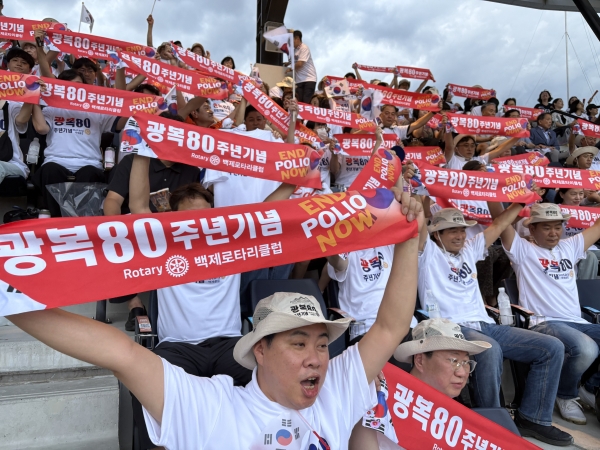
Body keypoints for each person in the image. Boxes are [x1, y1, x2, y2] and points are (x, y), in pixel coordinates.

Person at [7, 186, 423, 449]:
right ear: (261, 350)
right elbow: (120, 353)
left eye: (321, 343)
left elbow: (390, 327)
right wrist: (9, 292)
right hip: (178, 347)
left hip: (225, 344)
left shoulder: (335, 391)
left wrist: (408, 237)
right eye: (298, 343)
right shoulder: (214, 410)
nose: (317, 358)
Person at [125, 153, 295, 450]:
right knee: (148, 391)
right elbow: (138, 206)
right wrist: (141, 149)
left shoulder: (229, 241)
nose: (200, 222)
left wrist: (298, 176)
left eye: (205, 215)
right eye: (190, 217)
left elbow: (267, 211)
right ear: (173, 218)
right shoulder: (163, 244)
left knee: (274, 382)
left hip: (228, 346)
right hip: (177, 348)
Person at [418, 207, 572, 446]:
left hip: (486, 324)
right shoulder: (427, 252)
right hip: (451, 328)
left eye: (462, 230)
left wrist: (519, 204)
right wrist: (414, 198)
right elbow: (418, 226)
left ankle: (533, 419)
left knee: (552, 347)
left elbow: (499, 225)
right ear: (437, 234)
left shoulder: (469, 249)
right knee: (489, 349)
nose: (460, 236)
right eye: (452, 231)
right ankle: (491, 424)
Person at [500, 202, 600, 426]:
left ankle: (588, 386)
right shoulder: (522, 250)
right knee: (586, 348)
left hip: (577, 321)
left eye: (557, 226)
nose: (554, 232)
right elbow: (500, 221)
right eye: (546, 227)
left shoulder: (570, 246)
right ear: (532, 229)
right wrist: (509, 196)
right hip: (544, 322)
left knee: (587, 346)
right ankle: (565, 395)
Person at [350, 318, 491, 450]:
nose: (462, 373)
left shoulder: (460, 424)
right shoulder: (378, 399)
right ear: (419, 360)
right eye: (454, 360)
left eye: (466, 362)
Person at [1, 48, 35, 185]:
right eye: (15, 60)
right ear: (7, 64)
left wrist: (32, 93)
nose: (19, 64)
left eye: (24, 62)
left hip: (10, 162)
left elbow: (21, 120)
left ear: (30, 69)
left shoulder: (12, 104)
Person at [289, 30, 317, 104]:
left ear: (297, 39)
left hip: (309, 79)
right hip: (299, 80)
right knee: (299, 102)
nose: (291, 43)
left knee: (306, 102)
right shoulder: (294, 50)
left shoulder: (304, 48)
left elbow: (299, 64)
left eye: (292, 41)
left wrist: (290, 68)